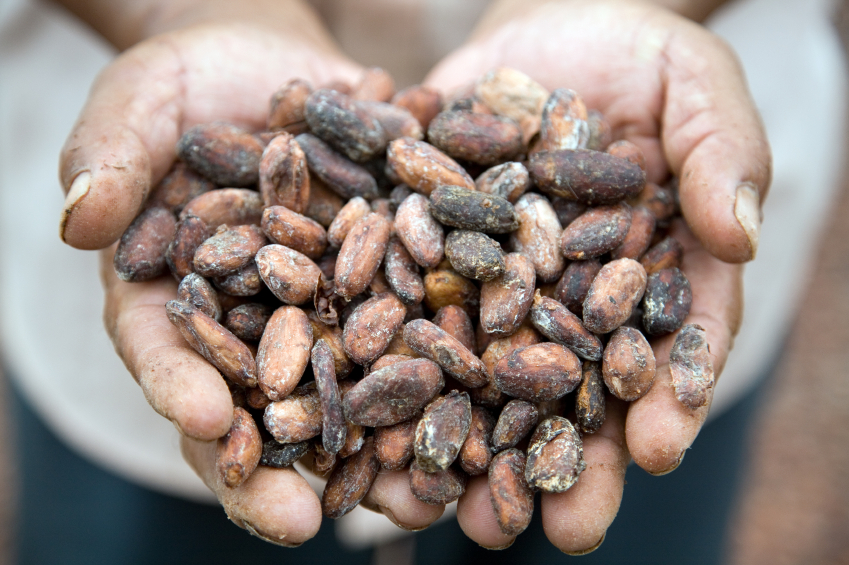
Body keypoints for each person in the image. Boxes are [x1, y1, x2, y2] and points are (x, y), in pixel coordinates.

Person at [0, 0, 843, 562]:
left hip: (647, 159)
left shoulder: (548, 265)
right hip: (118, 400)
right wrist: (176, 10)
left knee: (630, 493)